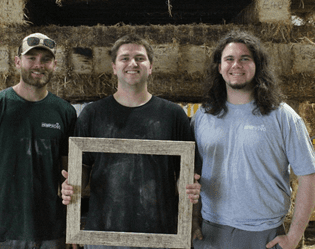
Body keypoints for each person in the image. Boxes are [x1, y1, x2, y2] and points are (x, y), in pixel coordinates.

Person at [61, 34, 201, 249]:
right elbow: (84, 165)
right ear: (114, 67)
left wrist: (189, 191)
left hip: (158, 234)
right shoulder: (93, 114)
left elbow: (185, 173)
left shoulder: (173, 115)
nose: (132, 63)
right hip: (103, 234)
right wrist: (73, 185)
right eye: (125, 58)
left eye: (140, 58)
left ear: (151, 67)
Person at [191, 30, 315, 249]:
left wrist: (294, 236)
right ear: (219, 68)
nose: (236, 65)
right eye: (229, 59)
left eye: (245, 58)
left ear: (257, 66)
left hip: (264, 236)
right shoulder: (204, 116)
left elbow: (308, 176)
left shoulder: (282, 116)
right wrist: (191, 219)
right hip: (210, 233)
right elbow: (191, 174)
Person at [0, 33, 77, 249]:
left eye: (46, 59)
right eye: (31, 58)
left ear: (55, 65)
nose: (39, 65)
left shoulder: (65, 112)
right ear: (17, 62)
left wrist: (71, 227)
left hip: (52, 233)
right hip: (4, 232)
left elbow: (69, 175)